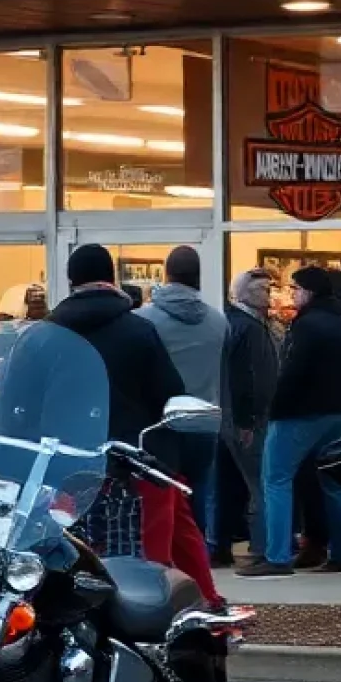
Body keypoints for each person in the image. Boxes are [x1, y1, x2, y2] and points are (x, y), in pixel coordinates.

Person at [47, 244, 220, 605]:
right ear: (111, 278)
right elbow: (170, 392)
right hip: (139, 458)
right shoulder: (138, 329)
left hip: (69, 459)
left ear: (70, 280)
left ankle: (204, 598)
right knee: (152, 553)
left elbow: (26, 399)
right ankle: (182, 611)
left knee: (73, 546)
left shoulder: (47, 334)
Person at [243, 266, 341, 579]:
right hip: (340, 413)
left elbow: (292, 373)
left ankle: (277, 555)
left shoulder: (304, 326)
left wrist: (275, 409)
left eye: (296, 288)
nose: (292, 293)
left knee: (276, 479)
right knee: (334, 482)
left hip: (299, 414)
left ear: (308, 291)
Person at [140, 246, 228, 534]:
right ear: (198, 277)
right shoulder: (219, 321)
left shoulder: (145, 320)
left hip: (161, 422)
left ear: (167, 275)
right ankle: (198, 552)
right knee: (198, 493)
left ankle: (169, 560)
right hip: (205, 421)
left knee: (161, 496)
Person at [217, 268, 280, 569]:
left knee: (239, 483)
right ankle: (261, 546)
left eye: (269, 288)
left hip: (245, 416)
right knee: (259, 483)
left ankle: (222, 543)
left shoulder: (255, 325)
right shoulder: (245, 327)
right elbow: (244, 378)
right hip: (247, 419)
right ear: (243, 294)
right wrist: (246, 419)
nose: (269, 294)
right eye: (262, 289)